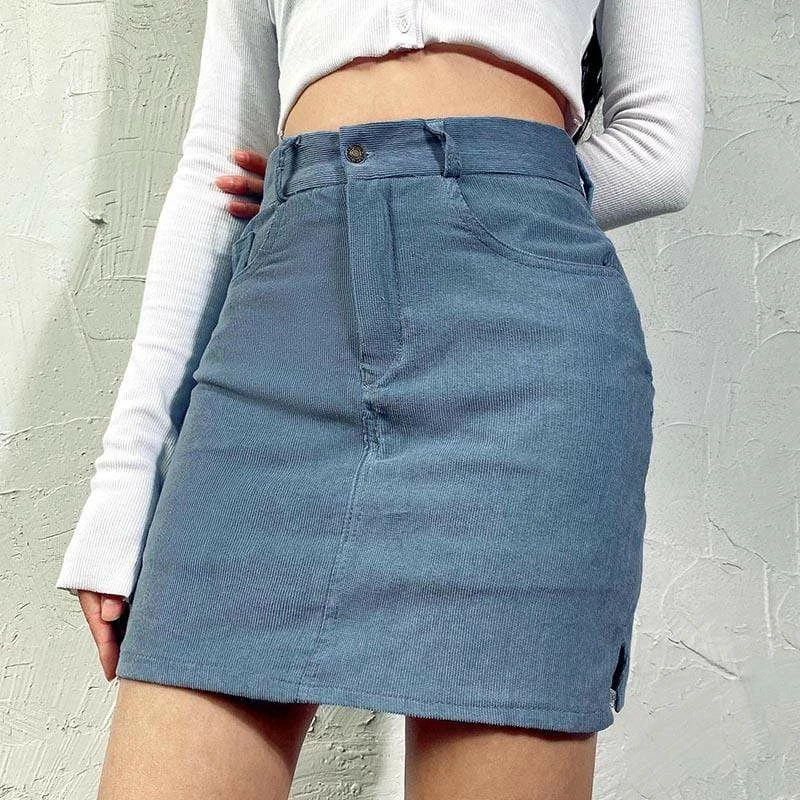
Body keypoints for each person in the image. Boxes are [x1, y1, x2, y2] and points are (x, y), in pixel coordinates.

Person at [55, 0, 705, 796]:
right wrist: (123, 487)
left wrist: (485, 181)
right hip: (282, 329)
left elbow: (660, 147)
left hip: (520, 352)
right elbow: (213, 169)